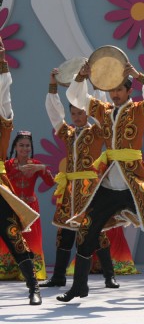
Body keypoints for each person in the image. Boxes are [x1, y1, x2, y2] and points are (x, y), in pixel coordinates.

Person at [57, 61, 144, 303]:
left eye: (119, 90)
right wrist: (81, 77)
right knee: (86, 231)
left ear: (129, 90)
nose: (115, 94)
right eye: (112, 90)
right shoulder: (102, 110)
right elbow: (75, 96)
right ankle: (79, 287)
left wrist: (140, 76)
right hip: (108, 185)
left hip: (134, 181)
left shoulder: (139, 109)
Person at [42, 68, 119, 289]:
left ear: (88, 113)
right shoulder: (66, 132)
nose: (76, 117)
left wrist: (94, 85)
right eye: (73, 113)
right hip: (70, 191)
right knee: (64, 233)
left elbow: (104, 110)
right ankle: (58, 276)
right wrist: (53, 85)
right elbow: (54, 113)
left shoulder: (96, 132)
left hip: (90, 190)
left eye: (80, 113)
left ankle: (109, 276)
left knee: (98, 232)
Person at [0, 37, 42, 305]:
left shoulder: (4, 123)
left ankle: (33, 287)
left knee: (13, 235)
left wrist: (2, 62)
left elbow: (4, 92)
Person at [1, 130, 54, 280]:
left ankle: (32, 272)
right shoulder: (8, 165)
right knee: (11, 236)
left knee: (32, 239)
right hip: (14, 207)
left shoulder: (35, 164)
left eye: (27, 146)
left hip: (31, 207)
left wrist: (42, 168)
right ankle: (8, 270)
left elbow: (51, 182)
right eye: (21, 145)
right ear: (15, 147)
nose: (25, 149)